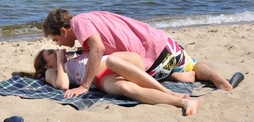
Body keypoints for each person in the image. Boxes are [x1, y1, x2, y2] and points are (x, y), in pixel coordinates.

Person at [43, 9, 233, 97]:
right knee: (193, 63)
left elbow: (98, 49)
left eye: (56, 40)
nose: (61, 45)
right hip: (165, 45)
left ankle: (180, 77)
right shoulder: (92, 16)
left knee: (138, 73)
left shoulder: (79, 23)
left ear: (63, 30)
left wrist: (84, 86)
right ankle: (215, 78)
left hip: (150, 63)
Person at [22, 49, 200, 116]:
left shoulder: (72, 57)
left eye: (54, 50)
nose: (56, 51)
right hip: (101, 79)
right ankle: (183, 101)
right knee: (123, 88)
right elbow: (63, 86)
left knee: (114, 62)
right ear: (46, 64)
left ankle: (169, 91)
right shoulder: (52, 71)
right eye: (51, 53)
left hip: (112, 61)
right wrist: (60, 61)